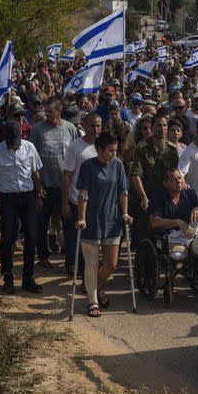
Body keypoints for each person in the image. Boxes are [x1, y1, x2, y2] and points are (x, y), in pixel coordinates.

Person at [148, 168, 198, 302]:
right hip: (171, 239)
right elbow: (154, 222)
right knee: (179, 255)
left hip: (192, 236)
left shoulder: (189, 193)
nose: (178, 181)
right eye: (174, 179)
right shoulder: (159, 196)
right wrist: (178, 222)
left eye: (180, 178)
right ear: (165, 183)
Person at [75, 131, 131, 317]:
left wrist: (125, 213)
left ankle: (96, 287)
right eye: (109, 151)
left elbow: (123, 191)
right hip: (91, 221)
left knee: (111, 265)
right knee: (91, 264)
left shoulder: (118, 165)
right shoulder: (88, 166)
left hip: (112, 220)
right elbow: (83, 193)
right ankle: (92, 301)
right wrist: (81, 217)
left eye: (115, 150)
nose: (114, 154)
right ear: (99, 149)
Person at [0, 121, 44, 294]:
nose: (13, 144)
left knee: (32, 237)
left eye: (16, 140)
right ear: (4, 138)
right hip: (7, 199)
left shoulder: (29, 147)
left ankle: (27, 278)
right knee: (7, 239)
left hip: (27, 197)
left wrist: (39, 194)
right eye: (10, 141)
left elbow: (35, 173)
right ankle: (8, 277)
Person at [29, 98, 81, 266]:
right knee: (41, 223)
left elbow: (75, 156)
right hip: (44, 187)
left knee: (69, 224)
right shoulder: (37, 130)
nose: (47, 114)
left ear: (59, 111)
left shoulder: (70, 129)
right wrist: (38, 186)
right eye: (46, 111)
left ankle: (70, 261)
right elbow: (32, 159)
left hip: (65, 186)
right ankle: (43, 257)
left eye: (50, 111)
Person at [61, 113, 102, 276]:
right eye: (92, 125)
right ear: (85, 126)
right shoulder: (75, 147)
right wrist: (64, 204)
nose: (95, 129)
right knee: (74, 238)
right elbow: (66, 176)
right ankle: (73, 264)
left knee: (92, 240)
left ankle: (88, 270)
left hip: (97, 202)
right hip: (76, 200)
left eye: (98, 126)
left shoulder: (103, 147)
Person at [130, 113, 179, 244]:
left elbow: (175, 175)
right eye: (158, 125)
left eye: (164, 125)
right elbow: (136, 175)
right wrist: (143, 197)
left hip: (164, 201)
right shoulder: (142, 148)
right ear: (152, 127)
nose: (162, 128)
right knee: (144, 240)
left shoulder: (172, 150)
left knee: (164, 241)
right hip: (146, 199)